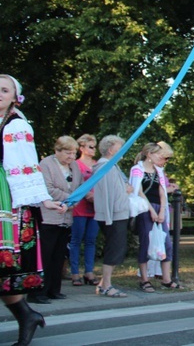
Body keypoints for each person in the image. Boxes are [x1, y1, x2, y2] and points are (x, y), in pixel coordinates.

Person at [1, 74, 67, 345]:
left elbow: (26, 166)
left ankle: (27, 315)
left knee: (6, 268)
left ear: (15, 97)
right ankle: (27, 316)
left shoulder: (16, 126)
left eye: (4, 90)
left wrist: (43, 198)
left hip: (7, 199)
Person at [34, 136, 83, 303]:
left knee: (59, 255)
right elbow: (47, 188)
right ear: (57, 151)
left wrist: (73, 200)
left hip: (66, 216)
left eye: (74, 153)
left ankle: (54, 290)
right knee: (46, 255)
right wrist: (70, 198)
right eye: (68, 153)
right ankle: (38, 291)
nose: (71, 156)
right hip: (49, 216)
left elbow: (79, 186)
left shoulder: (74, 166)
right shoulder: (46, 164)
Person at [130, 143, 180, 291]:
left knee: (166, 243)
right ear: (149, 155)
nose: (161, 157)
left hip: (159, 208)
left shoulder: (159, 171)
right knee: (146, 241)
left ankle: (166, 278)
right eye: (158, 154)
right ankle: (144, 279)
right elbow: (138, 191)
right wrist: (151, 210)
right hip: (145, 209)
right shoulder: (137, 170)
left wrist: (162, 210)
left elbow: (162, 192)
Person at [93, 135, 131, 297]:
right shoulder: (105, 167)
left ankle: (104, 283)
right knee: (113, 249)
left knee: (117, 249)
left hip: (117, 214)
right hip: (113, 216)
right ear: (110, 150)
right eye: (119, 147)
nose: (122, 150)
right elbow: (109, 194)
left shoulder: (112, 166)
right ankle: (106, 285)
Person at [70, 134, 100, 287]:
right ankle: (75, 273)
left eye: (94, 146)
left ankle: (89, 272)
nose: (94, 149)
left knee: (91, 240)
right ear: (81, 148)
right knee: (76, 240)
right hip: (80, 207)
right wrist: (87, 194)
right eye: (90, 146)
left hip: (95, 208)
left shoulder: (97, 164)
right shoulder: (76, 165)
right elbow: (74, 184)